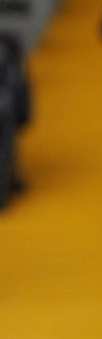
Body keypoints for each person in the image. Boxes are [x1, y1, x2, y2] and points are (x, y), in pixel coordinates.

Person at [0, 31, 30, 209]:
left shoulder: (10, 46)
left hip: (5, 109)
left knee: (6, 151)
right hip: (6, 108)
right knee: (6, 151)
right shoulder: (10, 47)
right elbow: (21, 85)